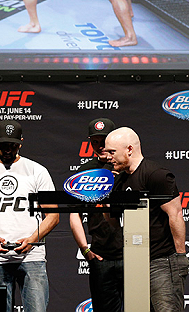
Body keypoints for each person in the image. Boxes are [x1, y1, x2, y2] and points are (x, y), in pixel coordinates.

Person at [0, 120, 59, 312]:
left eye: (12, 145)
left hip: (32, 257)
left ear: (21, 142)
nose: (8, 150)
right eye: (3, 145)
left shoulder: (37, 171)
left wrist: (32, 240)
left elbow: (53, 216)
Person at [104, 127, 187, 312]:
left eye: (112, 152)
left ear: (129, 149)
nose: (107, 157)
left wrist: (180, 257)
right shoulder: (118, 181)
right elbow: (113, 219)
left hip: (162, 261)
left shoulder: (156, 174)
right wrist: (103, 198)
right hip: (134, 261)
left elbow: (175, 214)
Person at [69, 118, 124, 312]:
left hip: (133, 254)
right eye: (95, 142)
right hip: (101, 256)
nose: (100, 146)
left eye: (104, 140)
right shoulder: (84, 172)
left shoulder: (126, 167)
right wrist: (85, 249)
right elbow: (74, 213)